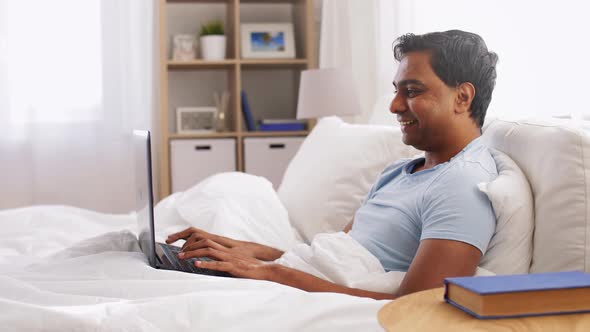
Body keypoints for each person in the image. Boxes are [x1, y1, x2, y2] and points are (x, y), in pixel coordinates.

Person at [166, 30, 499, 300]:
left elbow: (417, 306)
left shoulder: (463, 186)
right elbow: (337, 255)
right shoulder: (399, 171)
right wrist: (249, 252)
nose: (395, 105)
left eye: (411, 91)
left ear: (463, 97)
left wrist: (271, 273)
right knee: (141, 257)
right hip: (284, 277)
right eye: (396, 91)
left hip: (285, 291)